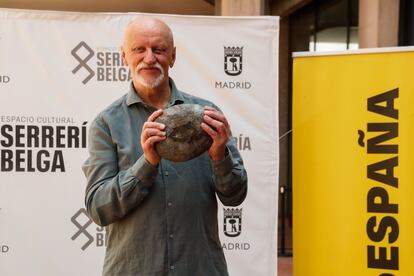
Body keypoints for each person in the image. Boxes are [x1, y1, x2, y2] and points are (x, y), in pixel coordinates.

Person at [82, 17, 247, 276]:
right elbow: (99, 209)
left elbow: (235, 196)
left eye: (158, 49)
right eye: (139, 49)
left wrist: (218, 155)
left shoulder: (209, 117)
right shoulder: (106, 124)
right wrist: (146, 163)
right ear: (124, 56)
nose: (149, 58)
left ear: (172, 56)